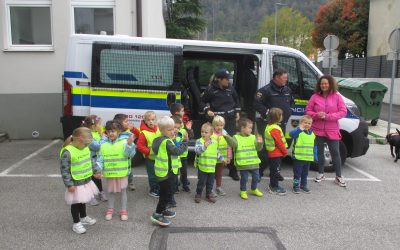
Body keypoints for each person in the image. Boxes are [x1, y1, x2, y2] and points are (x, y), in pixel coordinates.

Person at [305, 75, 347, 187]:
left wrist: (328, 117)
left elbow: (343, 111)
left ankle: (338, 176)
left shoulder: (337, 97)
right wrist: (316, 115)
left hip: (332, 130)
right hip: (317, 129)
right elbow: (308, 110)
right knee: (319, 152)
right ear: (319, 85)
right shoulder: (314, 97)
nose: (324, 85)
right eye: (322, 83)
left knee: (335, 153)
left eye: (326, 83)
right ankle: (320, 173)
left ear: (330, 84)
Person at [254, 68, 294, 180]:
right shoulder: (265, 90)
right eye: (284, 77)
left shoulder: (287, 89)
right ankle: (259, 171)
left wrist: (289, 110)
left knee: (279, 148)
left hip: (281, 124)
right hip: (267, 125)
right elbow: (256, 104)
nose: (286, 80)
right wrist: (269, 113)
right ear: (276, 77)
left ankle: (275, 172)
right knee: (265, 149)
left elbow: (291, 102)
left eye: (286, 77)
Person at [201, 68, 241, 181]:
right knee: (215, 144)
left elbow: (236, 100)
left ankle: (232, 170)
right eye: (226, 79)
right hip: (217, 121)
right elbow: (202, 101)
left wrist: (237, 112)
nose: (228, 81)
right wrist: (207, 110)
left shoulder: (230, 88)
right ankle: (214, 169)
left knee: (231, 144)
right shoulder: (211, 90)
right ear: (219, 79)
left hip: (230, 120)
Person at [60, 127, 101, 234]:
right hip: (75, 183)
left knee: (82, 201)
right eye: (86, 143)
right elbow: (65, 170)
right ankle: (76, 223)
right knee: (75, 203)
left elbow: (91, 161)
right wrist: (69, 184)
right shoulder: (67, 152)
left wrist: (96, 171)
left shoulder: (85, 148)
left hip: (85, 181)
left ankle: (83, 217)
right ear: (80, 139)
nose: (87, 146)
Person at [150, 116, 188, 227]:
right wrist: (185, 142)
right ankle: (157, 214)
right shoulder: (166, 142)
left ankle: (163, 210)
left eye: (173, 129)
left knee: (168, 192)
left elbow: (172, 147)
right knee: (165, 195)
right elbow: (177, 151)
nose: (173, 131)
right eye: (170, 129)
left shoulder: (161, 139)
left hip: (168, 172)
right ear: (162, 130)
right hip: (165, 173)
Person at [97, 120, 136, 221]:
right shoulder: (103, 145)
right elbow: (100, 160)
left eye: (113, 131)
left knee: (123, 191)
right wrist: (97, 170)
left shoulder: (124, 142)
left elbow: (130, 155)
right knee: (111, 192)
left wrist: (130, 145)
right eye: (109, 131)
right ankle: (110, 210)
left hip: (122, 173)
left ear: (119, 131)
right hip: (110, 173)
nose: (111, 133)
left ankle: (123, 210)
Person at [224, 118, 264, 200]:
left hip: (254, 162)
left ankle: (254, 189)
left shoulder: (253, 137)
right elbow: (233, 145)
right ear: (242, 128)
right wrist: (227, 137)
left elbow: (258, 149)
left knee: (256, 177)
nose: (251, 129)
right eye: (249, 127)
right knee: (244, 179)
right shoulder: (236, 137)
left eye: (251, 128)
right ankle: (243, 191)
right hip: (243, 163)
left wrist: (260, 143)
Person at [194, 123, 225, 203]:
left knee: (210, 182)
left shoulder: (214, 142)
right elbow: (197, 151)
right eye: (202, 132)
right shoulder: (199, 141)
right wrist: (204, 146)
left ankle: (209, 194)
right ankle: (198, 193)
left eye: (206, 132)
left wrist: (222, 158)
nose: (203, 134)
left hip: (211, 167)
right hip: (202, 167)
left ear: (211, 134)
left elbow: (217, 152)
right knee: (201, 182)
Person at [81, 115, 107, 205]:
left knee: (97, 176)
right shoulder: (87, 135)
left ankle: (100, 192)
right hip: (89, 159)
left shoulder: (96, 133)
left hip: (96, 159)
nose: (101, 126)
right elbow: (97, 146)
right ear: (93, 126)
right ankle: (90, 196)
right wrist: (104, 137)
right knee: (89, 178)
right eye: (99, 124)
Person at [289, 115, 317, 193]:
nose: (307, 124)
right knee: (297, 174)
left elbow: (314, 145)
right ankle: (295, 186)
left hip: (307, 158)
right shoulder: (298, 131)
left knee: (305, 174)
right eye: (305, 123)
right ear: (301, 123)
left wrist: (315, 155)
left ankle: (303, 185)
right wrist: (299, 129)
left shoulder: (312, 133)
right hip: (298, 158)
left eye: (309, 123)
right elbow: (291, 134)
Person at [170, 103, 194, 192]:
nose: (184, 112)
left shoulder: (183, 129)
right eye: (182, 111)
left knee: (184, 172)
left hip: (183, 155)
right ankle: (175, 186)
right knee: (175, 172)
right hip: (176, 156)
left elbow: (190, 136)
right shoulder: (171, 130)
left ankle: (184, 185)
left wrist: (188, 130)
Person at [136, 111, 161, 197]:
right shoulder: (144, 133)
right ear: (145, 121)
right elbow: (139, 146)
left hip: (159, 158)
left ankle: (158, 187)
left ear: (156, 120)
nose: (151, 121)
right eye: (148, 120)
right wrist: (149, 151)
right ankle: (153, 190)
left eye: (153, 119)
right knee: (152, 175)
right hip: (150, 158)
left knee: (159, 174)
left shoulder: (158, 129)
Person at [113, 114, 140, 191]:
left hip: (127, 154)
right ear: (119, 124)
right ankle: (118, 184)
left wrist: (133, 129)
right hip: (118, 155)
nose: (128, 123)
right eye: (126, 121)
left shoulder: (129, 130)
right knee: (118, 170)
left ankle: (130, 182)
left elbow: (138, 135)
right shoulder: (115, 131)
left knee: (129, 170)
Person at [264, 108, 288, 195]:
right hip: (276, 153)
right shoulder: (274, 128)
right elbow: (279, 142)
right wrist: (285, 151)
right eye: (281, 115)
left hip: (273, 153)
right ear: (277, 117)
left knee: (274, 169)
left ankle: (272, 185)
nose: (282, 116)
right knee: (275, 171)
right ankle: (274, 187)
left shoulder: (270, 126)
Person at [211, 115, 232, 196]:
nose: (219, 127)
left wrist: (229, 157)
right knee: (211, 175)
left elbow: (229, 145)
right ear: (213, 125)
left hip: (221, 159)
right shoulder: (211, 134)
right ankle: (210, 189)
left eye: (221, 125)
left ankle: (218, 187)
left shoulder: (225, 133)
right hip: (212, 159)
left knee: (219, 174)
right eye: (217, 125)